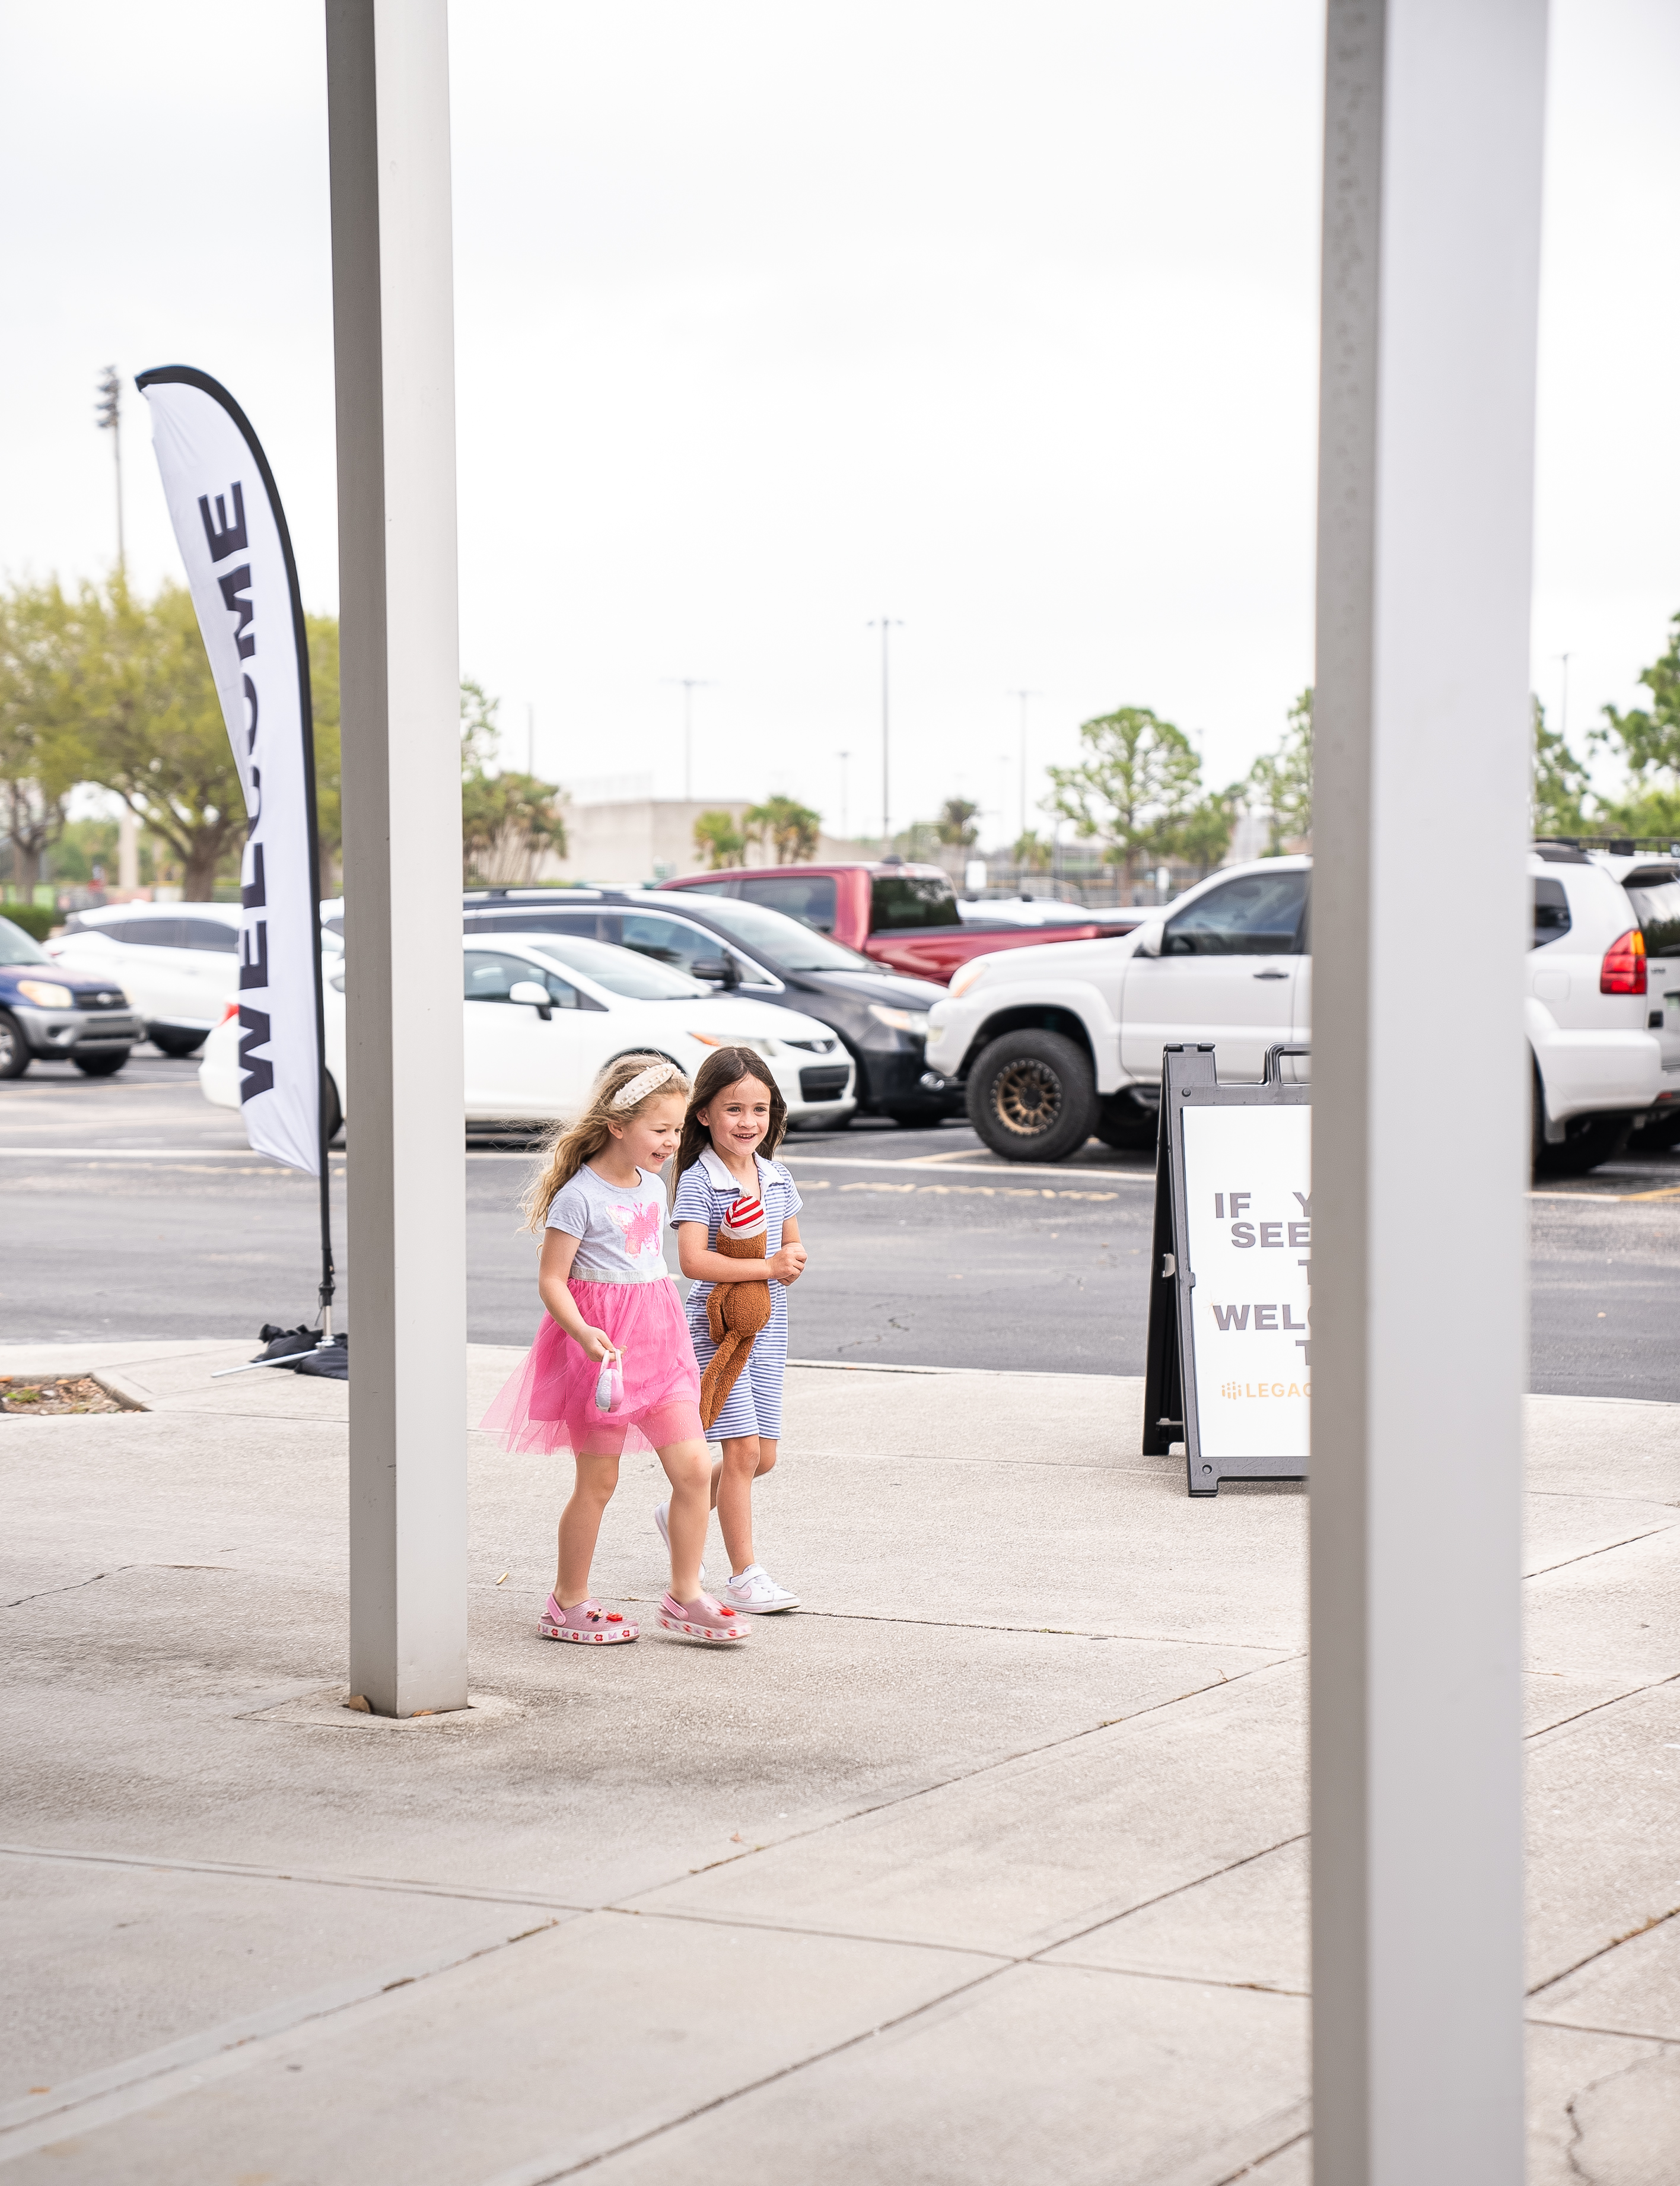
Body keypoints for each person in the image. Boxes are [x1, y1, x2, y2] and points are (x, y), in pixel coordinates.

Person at [480, 1053, 747, 1646]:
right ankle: (566, 1601)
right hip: (607, 1358)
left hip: (661, 1344)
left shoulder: (654, 1188)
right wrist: (583, 1334)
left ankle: (684, 1593)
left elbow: (650, 1268)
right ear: (617, 1126)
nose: (673, 1142)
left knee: (695, 1469)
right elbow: (553, 1279)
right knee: (598, 1484)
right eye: (662, 1130)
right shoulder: (579, 1196)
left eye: (679, 1130)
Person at [666, 1046, 807, 1613]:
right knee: (743, 1452)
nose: (748, 1123)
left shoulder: (775, 1176)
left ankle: (689, 1498)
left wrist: (793, 1259)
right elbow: (693, 1262)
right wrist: (767, 1267)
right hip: (718, 1328)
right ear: (703, 1114)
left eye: (760, 1110)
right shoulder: (701, 1180)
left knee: (763, 1457)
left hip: (769, 1327)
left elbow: (791, 1238)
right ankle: (744, 1577)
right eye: (733, 1110)